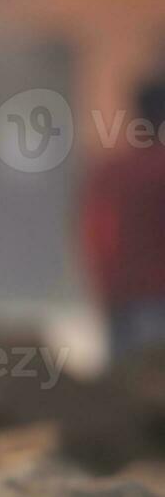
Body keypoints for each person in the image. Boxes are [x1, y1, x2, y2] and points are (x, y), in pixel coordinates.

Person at [80, 77, 165, 360]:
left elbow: (94, 234)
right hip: (155, 299)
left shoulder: (111, 170)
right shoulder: (155, 170)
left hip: (118, 295)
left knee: (125, 383)